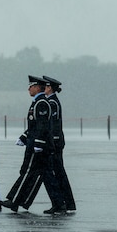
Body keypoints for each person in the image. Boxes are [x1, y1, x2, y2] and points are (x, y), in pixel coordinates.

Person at [1, 75, 65, 214]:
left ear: (37, 87)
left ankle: (14, 200)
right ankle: (59, 204)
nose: (29, 89)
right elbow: (34, 125)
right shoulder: (38, 102)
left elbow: (42, 126)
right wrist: (24, 137)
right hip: (38, 143)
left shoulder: (41, 103)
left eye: (31, 86)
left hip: (39, 145)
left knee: (28, 170)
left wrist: (38, 143)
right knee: (47, 175)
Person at [43, 75, 76, 211]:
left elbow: (53, 125)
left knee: (58, 173)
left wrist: (52, 142)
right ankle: (66, 203)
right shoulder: (52, 101)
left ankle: (62, 203)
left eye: (46, 86)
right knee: (59, 173)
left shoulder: (52, 103)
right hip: (56, 141)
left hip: (55, 143)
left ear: (50, 88)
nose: (44, 88)